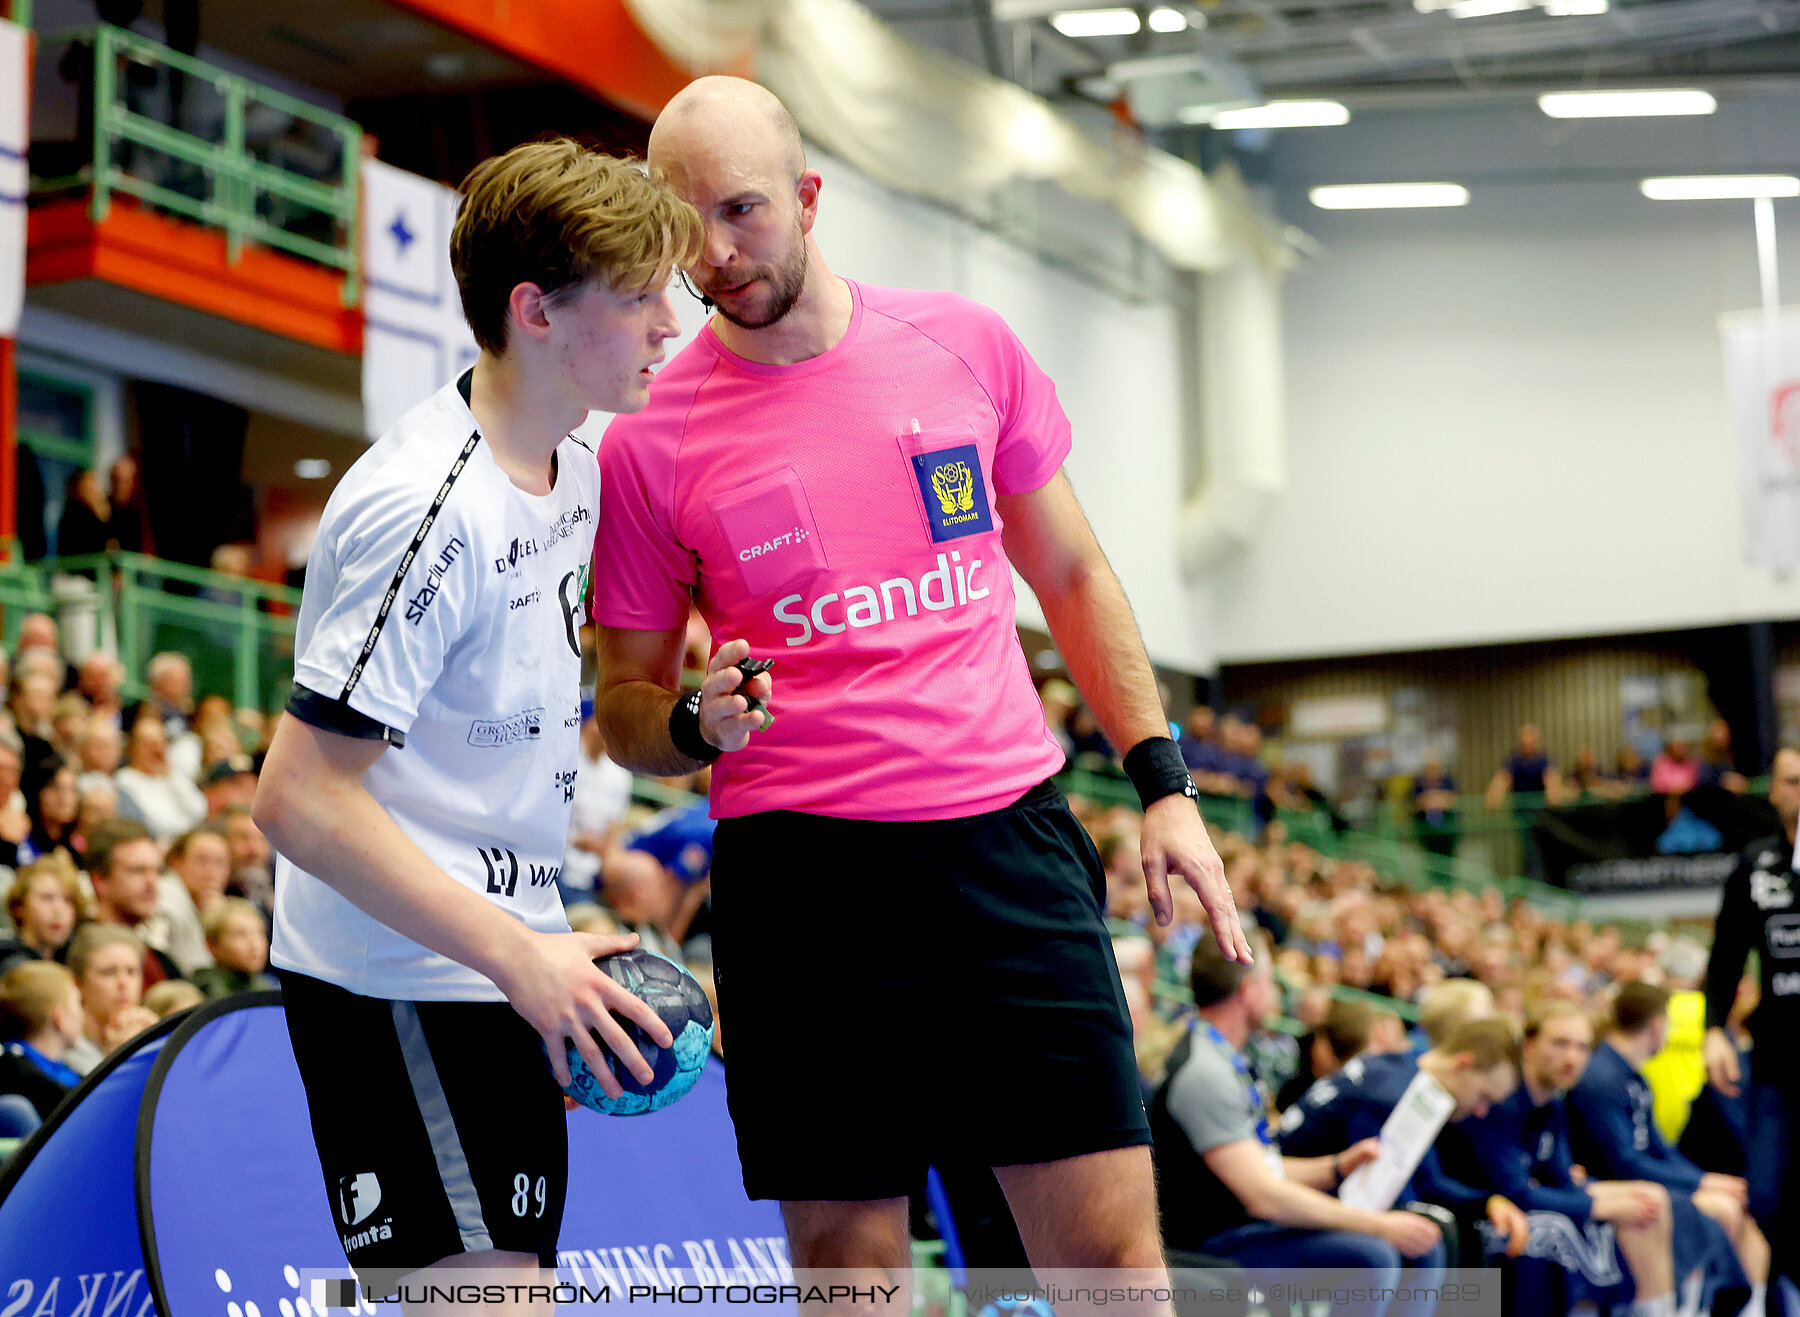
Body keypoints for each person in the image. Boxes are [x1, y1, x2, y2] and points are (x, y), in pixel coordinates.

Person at [594, 75, 1249, 1294]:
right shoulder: (647, 437)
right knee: (849, 1270)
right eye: (686, 226)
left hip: (1007, 847)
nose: (716, 254)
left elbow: (1071, 570)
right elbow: (624, 705)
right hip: (802, 880)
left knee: (1109, 1261)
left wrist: (1166, 785)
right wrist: (691, 721)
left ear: (808, 196)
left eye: (742, 210)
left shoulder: (963, 344)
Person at [252, 138, 697, 1292]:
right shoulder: (423, 510)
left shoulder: (580, 454)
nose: (669, 326)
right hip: (396, 974)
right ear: (534, 312)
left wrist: (695, 718)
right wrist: (522, 959)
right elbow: (297, 800)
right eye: (640, 298)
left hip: (501, 955)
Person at [1152, 935, 1446, 1317]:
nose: (1278, 994)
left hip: (1240, 1225)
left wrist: (1339, 1166)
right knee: (1371, 1255)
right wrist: (1377, 1225)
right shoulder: (1204, 1072)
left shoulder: (1219, 1057)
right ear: (1248, 990)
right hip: (1209, 1243)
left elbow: (1259, 1166)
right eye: (1271, 982)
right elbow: (1263, 1194)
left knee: (1418, 1244)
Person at [1440, 1002, 1681, 1317]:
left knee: (1650, 1199)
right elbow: (1517, 1191)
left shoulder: (1553, 1101)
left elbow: (1561, 1178)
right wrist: (1598, 1205)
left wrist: (1593, 1197)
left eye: (1582, 1047)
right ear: (1528, 1046)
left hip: (1518, 1198)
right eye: (1560, 1043)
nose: (1572, 1058)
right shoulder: (1498, 1099)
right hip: (1478, 1208)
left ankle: (1661, 1310)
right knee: (1566, 1229)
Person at [1568, 982, 1765, 1312]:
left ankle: (1751, 1308)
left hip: (1641, 1178)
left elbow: (1663, 1150)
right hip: (1617, 1184)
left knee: (1743, 1201)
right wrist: (1701, 1183)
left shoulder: (1634, 1077)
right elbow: (1625, 1161)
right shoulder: (1602, 1078)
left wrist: (1707, 1179)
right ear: (1658, 1025)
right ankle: (1693, 1308)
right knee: (1720, 1208)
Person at [1277, 1017, 1532, 1260]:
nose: (1481, 1111)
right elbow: (1384, 1196)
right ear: (1462, 1064)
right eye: (1483, 1097)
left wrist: (1486, 1202)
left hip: (1307, 1189)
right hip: (1287, 1202)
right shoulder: (1397, 1096)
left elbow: (1425, 1178)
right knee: (1435, 1230)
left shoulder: (1407, 1068)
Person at [1704, 748, 1800, 1303]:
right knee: (1765, 1196)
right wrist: (1714, 1028)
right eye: (1793, 780)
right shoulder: (1755, 865)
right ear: (1775, 791)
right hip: (1776, 1063)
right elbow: (1725, 958)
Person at [83, 817, 182, 989]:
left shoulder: (160, 960)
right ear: (100, 881)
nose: (152, 882)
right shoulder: (78, 954)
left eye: (156, 871)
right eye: (137, 871)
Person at [61, 922, 159, 1076]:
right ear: (77, 983)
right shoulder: (64, 1049)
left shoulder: (152, 1032)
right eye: (109, 972)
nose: (123, 983)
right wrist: (121, 1058)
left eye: (131, 972)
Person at [0, 961, 85, 1130]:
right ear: (60, 1018)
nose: (82, 1013)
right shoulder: (17, 1074)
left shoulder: (59, 1072)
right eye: (78, 1003)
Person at [113, 714, 207, 841]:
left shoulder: (174, 776)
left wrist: (170, 776)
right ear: (133, 747)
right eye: (149, 744)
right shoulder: (124, 780)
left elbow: (199, 811)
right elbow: (158, 825)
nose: (156, 750)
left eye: (160, 743)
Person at [0, 857, 82, 975]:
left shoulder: (73, 960)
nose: (59, 910)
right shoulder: (11, 966)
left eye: (68, 900)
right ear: (20, 907)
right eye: (47, 898)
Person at [190, 898, 276, 999]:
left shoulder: (266, 984)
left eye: (259, 933)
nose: (254, 944)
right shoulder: (206, 990)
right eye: (240, 934)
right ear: (212, 946)